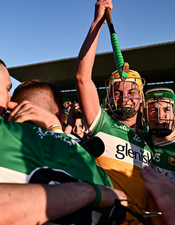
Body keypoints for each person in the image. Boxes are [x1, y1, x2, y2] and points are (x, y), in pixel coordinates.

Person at [0, 59, 126, 224]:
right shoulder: (90, 164)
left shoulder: (5, 135)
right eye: (7, 88)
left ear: (14, 109)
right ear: (61, 116)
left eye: (10, 89)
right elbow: (120, 205)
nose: (8, 97)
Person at [74, 0, 157, 222]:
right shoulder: (102, 124)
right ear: (109, 97)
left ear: (141, 98)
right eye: (118, 92)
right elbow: (82, 78)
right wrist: (97, 23)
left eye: (131, 91)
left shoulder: (152, 140)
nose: (125, 97)